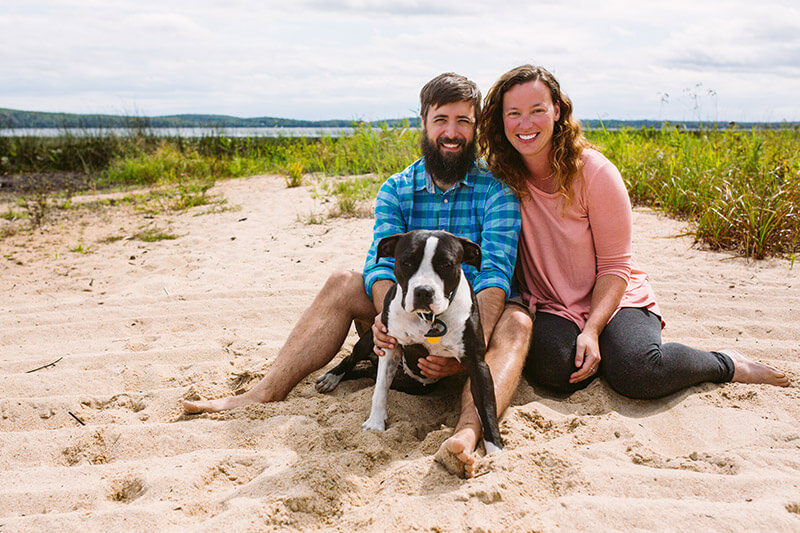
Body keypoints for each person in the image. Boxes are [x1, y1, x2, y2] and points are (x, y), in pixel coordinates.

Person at [184, 73, 532, 478]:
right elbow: (380, 265)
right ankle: (266, 390)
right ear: (423, 121)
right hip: (404, 320)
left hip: (466, 328)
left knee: (518, 320)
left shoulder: (497, 190)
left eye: (463, 122)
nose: (451, 133)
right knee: (343, 281)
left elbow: (494, 271)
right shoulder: (396, 189)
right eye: (441, 120)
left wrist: (470, 346)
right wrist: (387, 316)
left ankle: (468, 432)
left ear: (476, 129)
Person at [476, 64, 789, 399]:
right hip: (552, 304)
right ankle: (604, 353)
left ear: (556, 110)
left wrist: (593, 330)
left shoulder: (595, 173)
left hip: (616, 297)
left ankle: (726, 363)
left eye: (537, 110)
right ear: (501, 120)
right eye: (514, 113)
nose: (526, 124)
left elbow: (615, 267)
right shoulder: (499, 177)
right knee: (559, 370)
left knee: (639, 372)